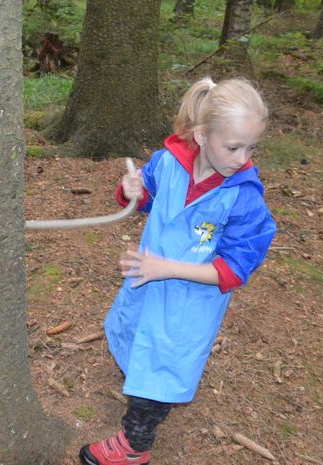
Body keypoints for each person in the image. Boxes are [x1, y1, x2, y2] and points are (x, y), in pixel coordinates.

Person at [79, 77, 277, 465]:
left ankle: (134, 446)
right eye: (233, 147)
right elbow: (146, 196)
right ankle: (140, 382)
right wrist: (131, 190)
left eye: (251, 147)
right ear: (201, 136)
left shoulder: (244, 198)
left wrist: (166, 268)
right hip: (146, 286)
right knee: (137, 341)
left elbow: (233, 271)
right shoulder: (168, 162)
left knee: (163, 367)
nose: (243, 159)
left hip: (189, 306)